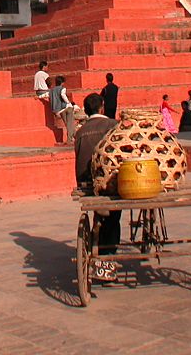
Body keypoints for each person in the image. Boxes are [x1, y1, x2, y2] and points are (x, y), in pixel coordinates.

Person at [74, 93, 120, 281]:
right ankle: (107, 260)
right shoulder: (112, 125)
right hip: (107, 183)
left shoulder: (80, 132)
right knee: (113, 218)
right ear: (102, 107)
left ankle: (97, 242)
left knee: (101, 216)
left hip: (85, 183)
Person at [50, 76, 77, 145]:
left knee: (68, 124)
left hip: (59, 110)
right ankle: (69, 140)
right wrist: (68, 102)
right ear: (62, 82)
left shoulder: (52, 90)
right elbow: (63, 95)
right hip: (66, 107)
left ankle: (76, 137)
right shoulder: (62, 89)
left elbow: (46, 95)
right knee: (70, 124)